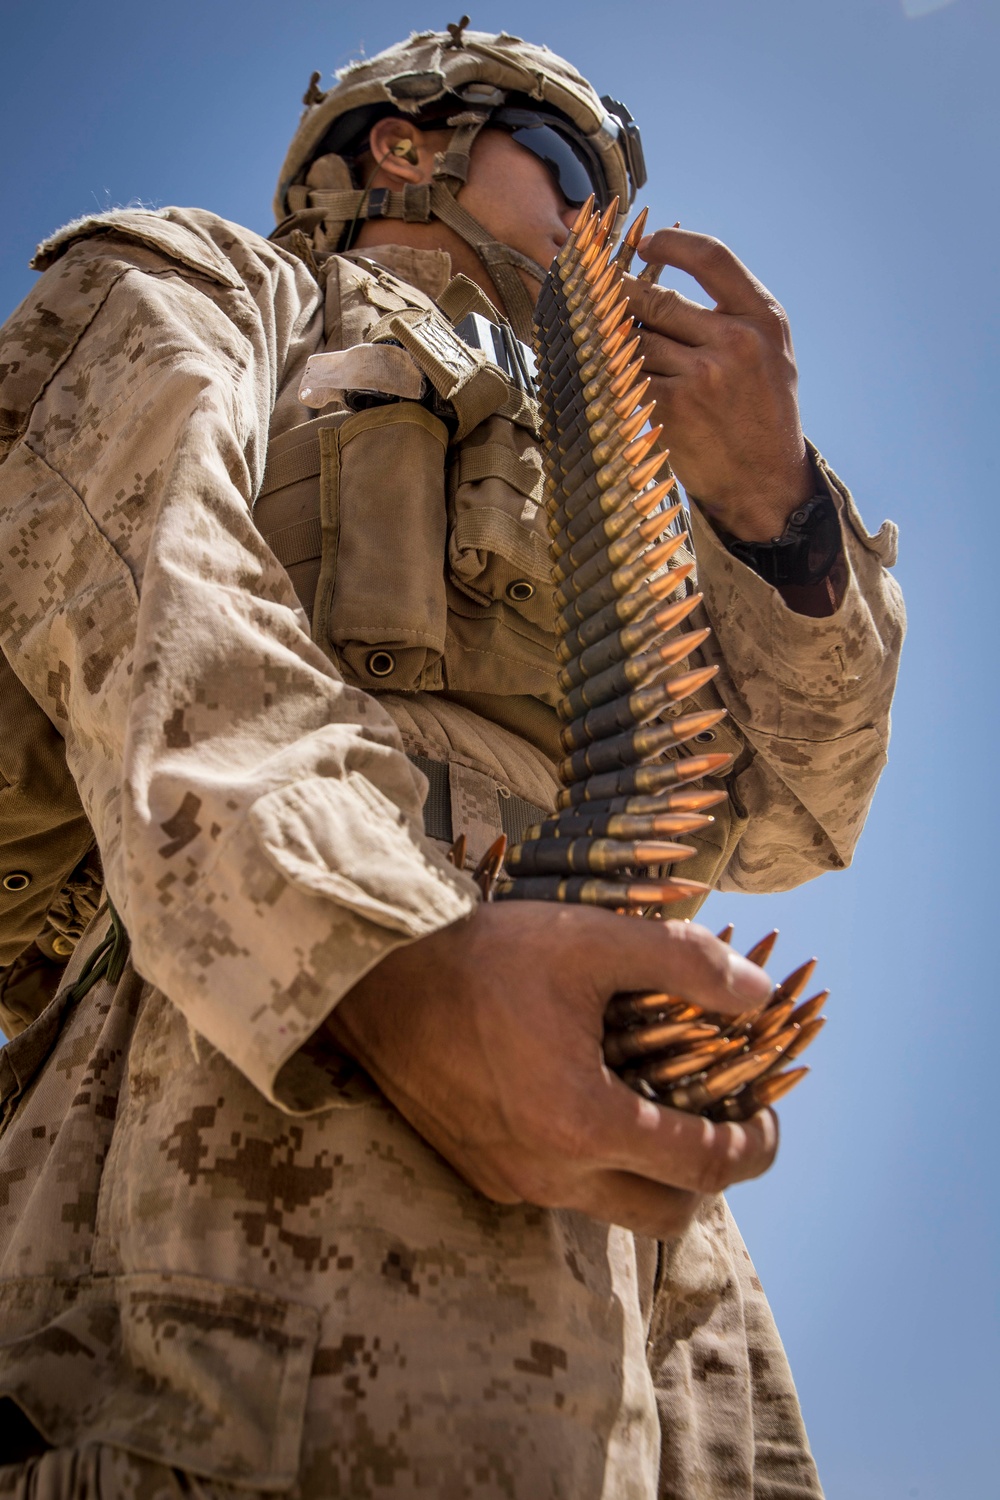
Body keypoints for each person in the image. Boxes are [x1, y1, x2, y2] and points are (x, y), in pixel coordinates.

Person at [0, 24, 903, 1500]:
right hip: (254, 1049)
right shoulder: (235, 289)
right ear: (407, 150)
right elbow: (131, 567)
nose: (593, 222)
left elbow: (793, 817)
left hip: (641, 1187)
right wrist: (376, 954)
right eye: (562, 170)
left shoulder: (626, 473)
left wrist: (769, 514)